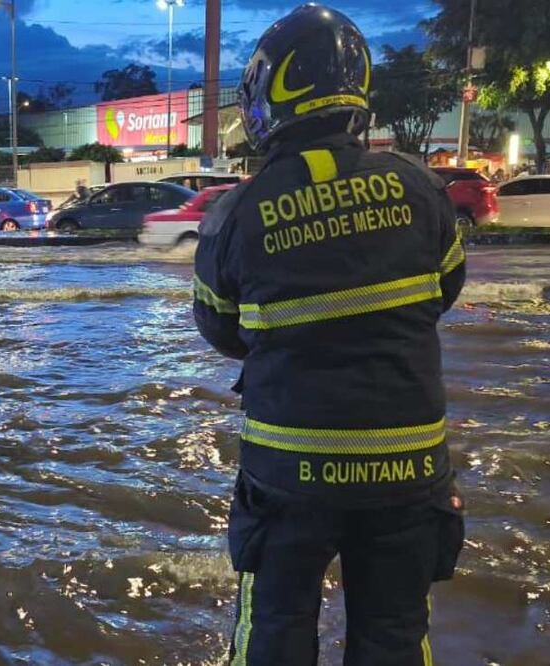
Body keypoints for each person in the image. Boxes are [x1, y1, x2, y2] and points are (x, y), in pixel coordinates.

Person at [193, 5, 466, 664]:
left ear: (270, 95)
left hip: (289, 474)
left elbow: (221, 330)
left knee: (274, 634)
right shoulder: (421, 190)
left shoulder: (236, 215)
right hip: (407, 471)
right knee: (395, 636)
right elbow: (442, 295)